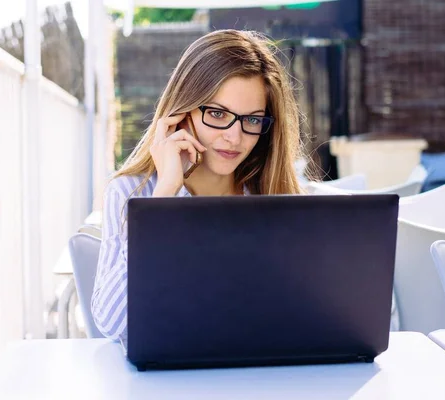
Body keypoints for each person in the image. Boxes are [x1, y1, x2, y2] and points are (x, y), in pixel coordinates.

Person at [91, 29, 305, 343]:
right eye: (218, 114)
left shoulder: (270, 192)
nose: (235, 137)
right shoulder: (130, 194)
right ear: (181, 111)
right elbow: (110, 323)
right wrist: (162, 201)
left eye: (253, 120)